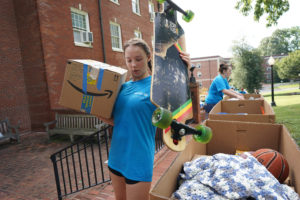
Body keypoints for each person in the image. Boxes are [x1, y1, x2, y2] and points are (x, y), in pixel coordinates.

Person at [107, 38, 191, 200]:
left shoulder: (157, 86)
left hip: (138, 160)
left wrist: (184, 72)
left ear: (148, 57)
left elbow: (178, 103)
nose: (133, 65)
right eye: (129, 60)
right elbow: (118, 121)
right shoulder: (123, 87)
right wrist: (90, 107)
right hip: (116, 157)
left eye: (138, 59)